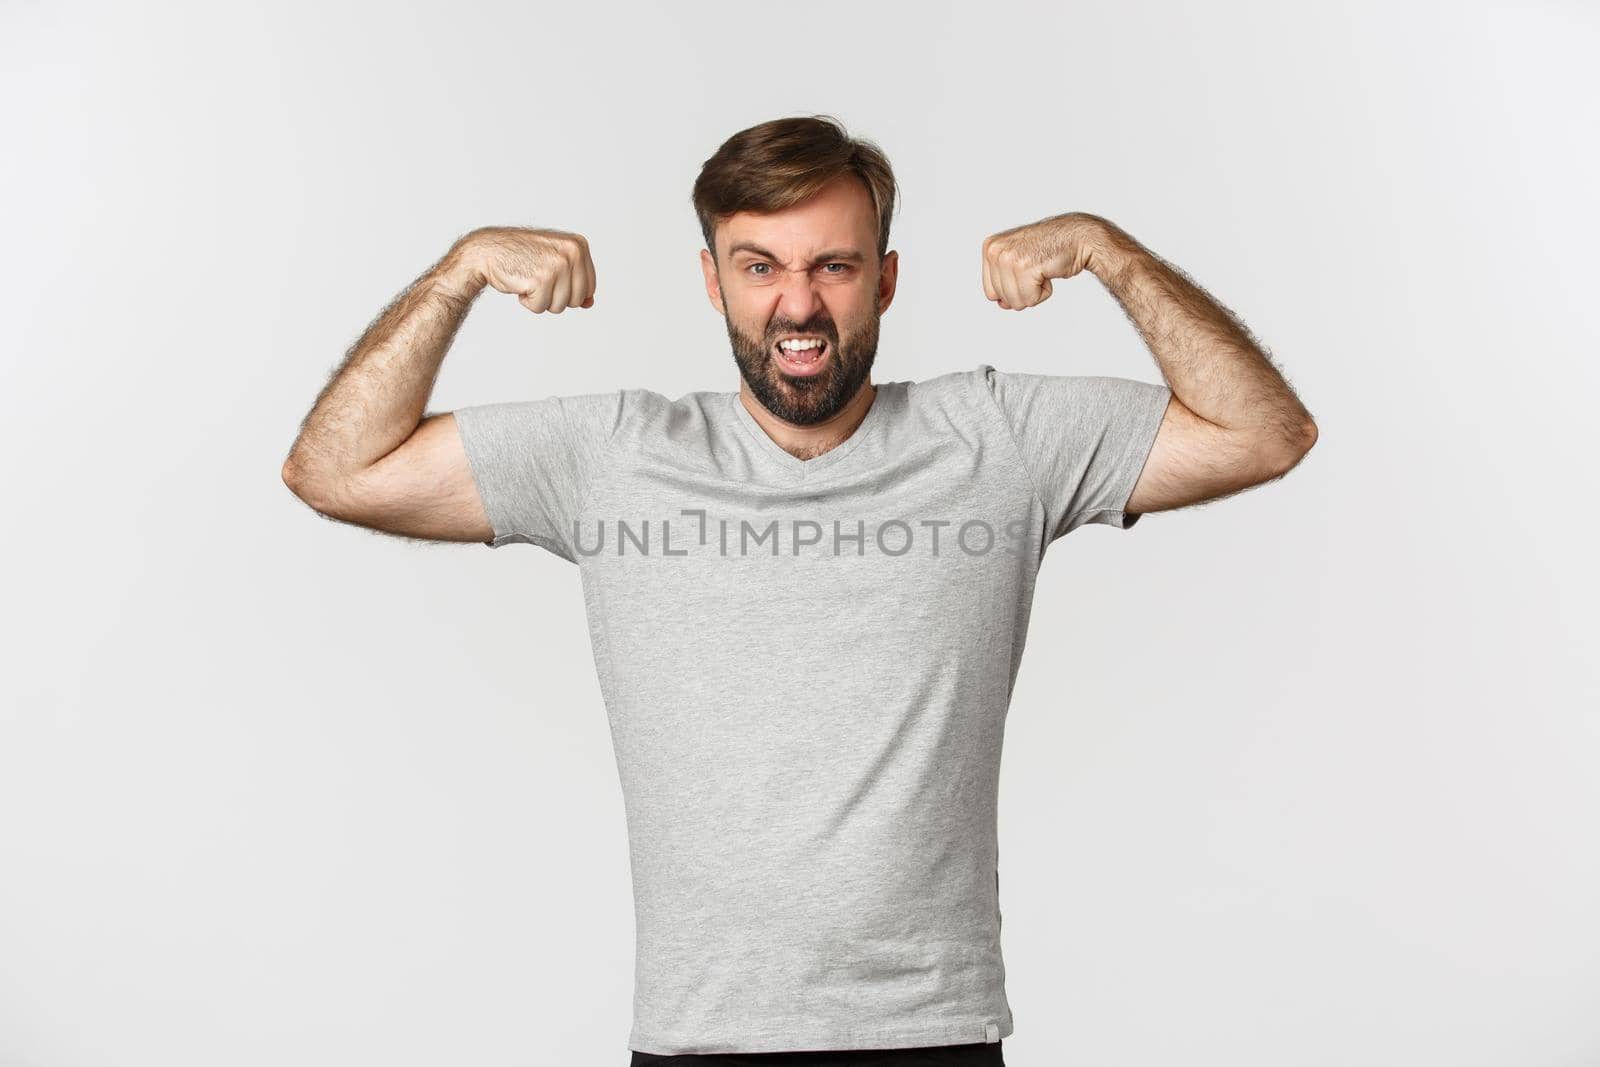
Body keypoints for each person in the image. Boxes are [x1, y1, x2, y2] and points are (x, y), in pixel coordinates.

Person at [281, 115, 1318, 1065]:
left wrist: (1113, 254)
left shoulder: (998, 440)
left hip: (932, 1027)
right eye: (759, 266)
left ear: (885, 278)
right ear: (711, 280)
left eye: (834, 264)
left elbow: (1263, 433)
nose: (798, 302)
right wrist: (457, 274)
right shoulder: (612, 456)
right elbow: (336, 470)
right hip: (699, 1031)